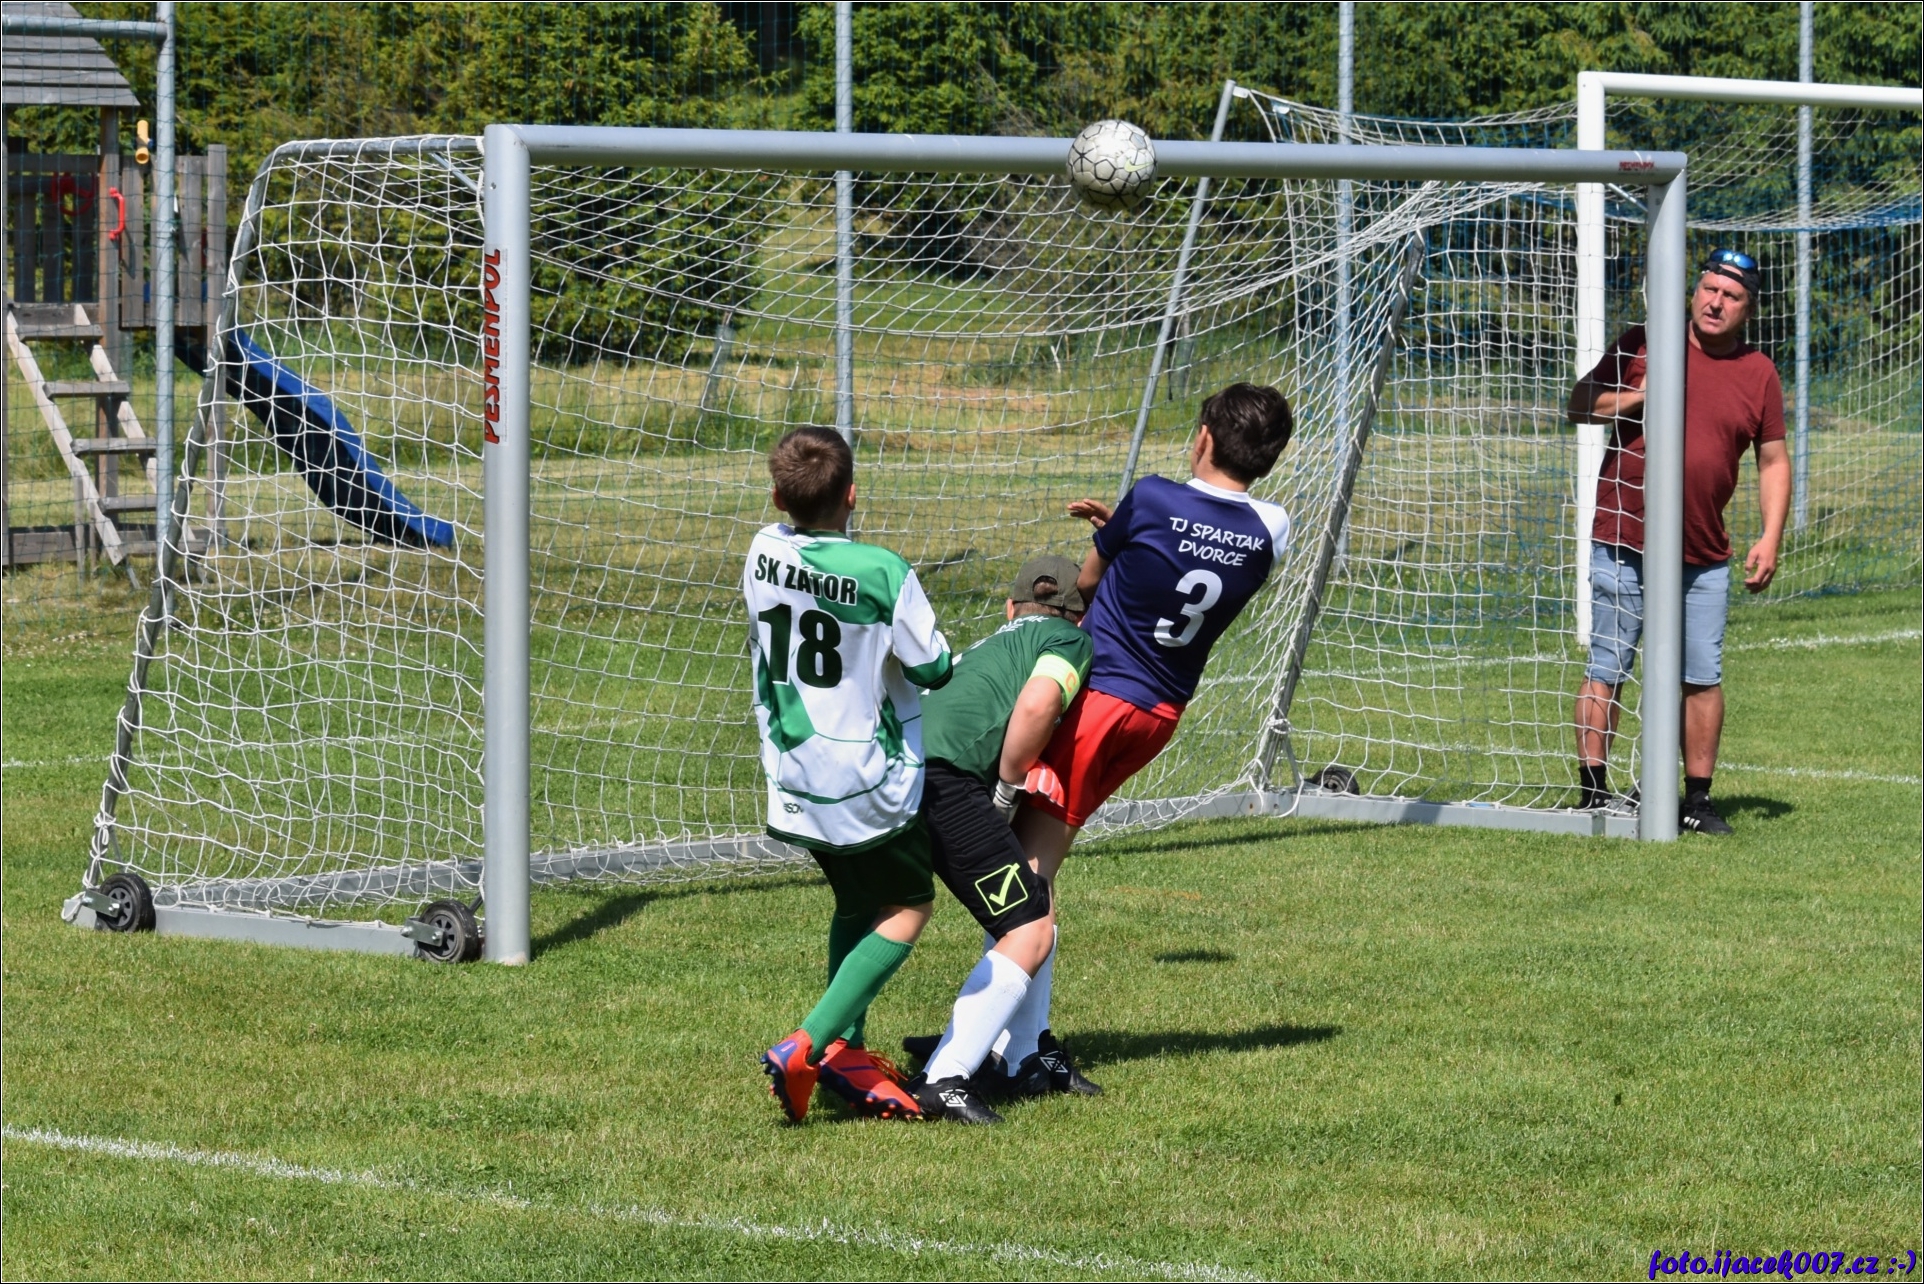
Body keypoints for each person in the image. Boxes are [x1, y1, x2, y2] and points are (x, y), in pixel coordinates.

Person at [909, 383, 1296, 1094]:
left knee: (1028, 880)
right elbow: (1190, 564)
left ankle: (965, 1060)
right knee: (1036, 875)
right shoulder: (1274, 528)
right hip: (1159, 714)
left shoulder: (1151, 497)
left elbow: (1087, 585)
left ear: (1203, 437)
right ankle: (1025, 1049)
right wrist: (1141, 540)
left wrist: (1121, 539)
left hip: (1098, 700)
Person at [743, 426, 953, 1123]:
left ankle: (846, 1050)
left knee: (856, 902)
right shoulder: (883, 571)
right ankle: (806, 1045)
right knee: (909, 905)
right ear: (854, 495)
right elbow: (932, 668)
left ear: (778, 497)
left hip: (793, 770)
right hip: (864, 780)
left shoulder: (763, 549)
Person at [1567, 248, 1789, 834]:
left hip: (1702, 550)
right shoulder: (1644, 344)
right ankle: (1593, 794)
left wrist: (1770, 536)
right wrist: (1643, 396)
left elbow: (1772, 460)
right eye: (1709, 289)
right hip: (1625, 537)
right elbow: (1580, 404)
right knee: (1607, 664)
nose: (1716, 302)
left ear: (1747, 309)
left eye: (1731, 296)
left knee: (1702, 675)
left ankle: (1697, 801)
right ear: (1693, 292)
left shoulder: (1759, 373)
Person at [905, 556, 1094, 1124]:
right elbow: (1038, 703)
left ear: (1011, 608)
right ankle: (944, 1077)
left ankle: (1019, 1053)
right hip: (945, 783)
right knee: (1030, 927)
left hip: (896, 773)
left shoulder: (990, 645)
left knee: (1031, 901)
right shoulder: (1067, 639)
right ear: (1077, 616)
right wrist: (1009, 786)